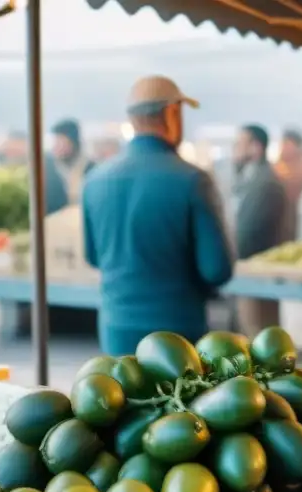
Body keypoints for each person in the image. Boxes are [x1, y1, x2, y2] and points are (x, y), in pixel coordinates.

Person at [82, 76, 235, 355]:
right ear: (172, 113)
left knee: (118, 397)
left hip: (116, 326)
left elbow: (93, 257)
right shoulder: (193, 180)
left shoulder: (95, 179)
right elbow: (217, 269)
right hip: (176, 334)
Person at [232, 124, 290, 336]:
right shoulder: (251, 178)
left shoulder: (265, 183)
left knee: (257, 336)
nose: (235, 149)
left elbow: (248, 234)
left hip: (257, 276)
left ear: (256, 148)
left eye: (239, 143)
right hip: (251, 274)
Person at [274, 129, 302, 240]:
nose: (282, 147)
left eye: (286, 144)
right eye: (282, 144)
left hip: (297, 221)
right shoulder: (277, 166)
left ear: (297, 147)